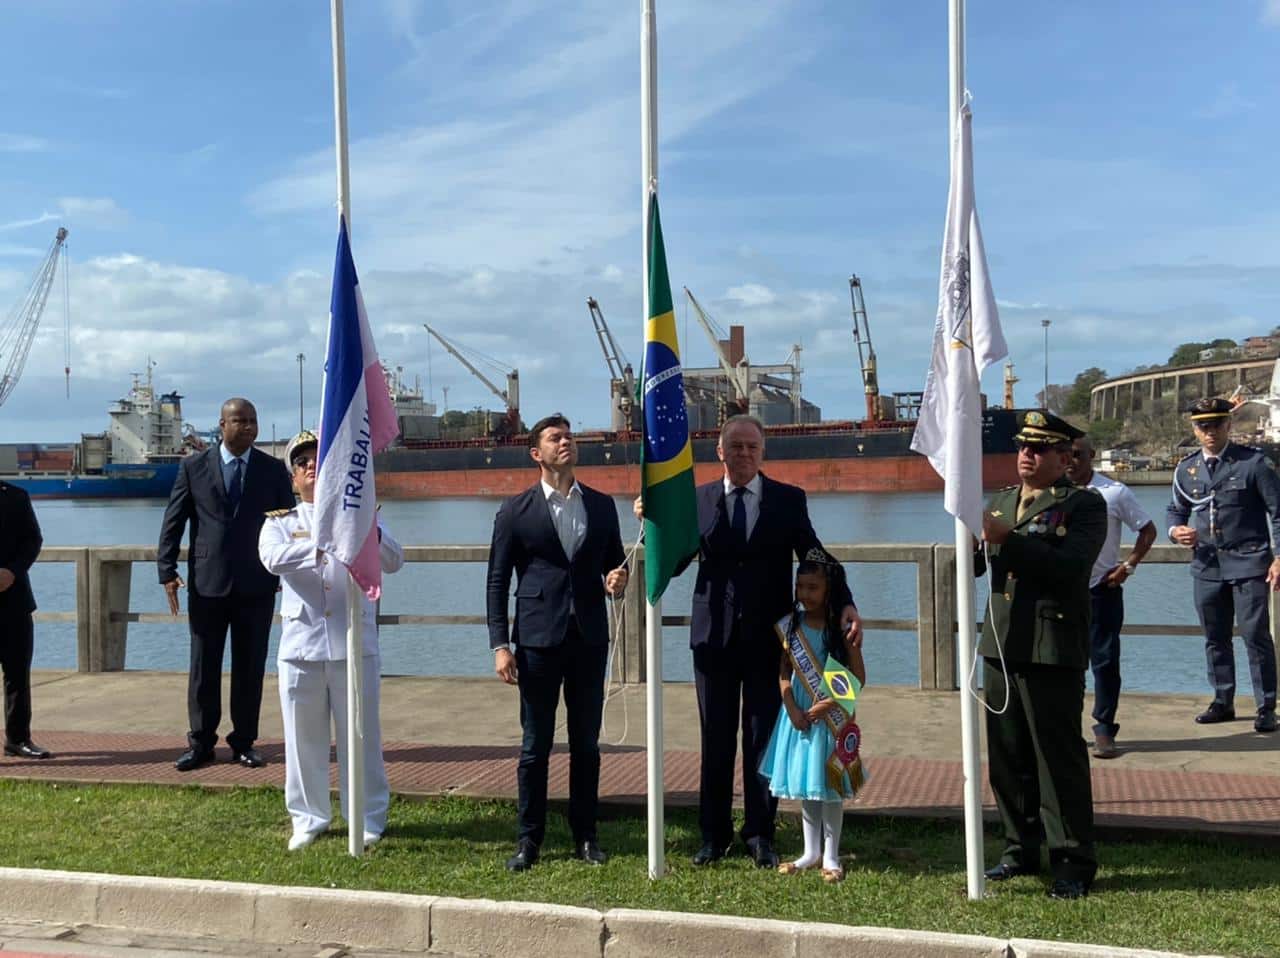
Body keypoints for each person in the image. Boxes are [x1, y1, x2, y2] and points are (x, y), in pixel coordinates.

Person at [672, 414, 860, 869]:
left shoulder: (787, 501)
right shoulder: (697, 501)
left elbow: (815, 556)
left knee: (761, 741)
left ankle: (759, 834)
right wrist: (656, 523)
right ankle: (712, 837)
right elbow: (675, 563)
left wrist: (846, 602)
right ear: (719, 451)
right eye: (734, 446)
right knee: (715, 739)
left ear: (763, 453)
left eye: (751, 448)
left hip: (768, 643)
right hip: (712, 638)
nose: (743, 455)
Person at [486, 414, 628, 872]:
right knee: (535, 745)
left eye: (569, 436)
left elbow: (614, 565)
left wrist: (617, 578)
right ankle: (529, 840)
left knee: (586, 744)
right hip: (537, 642)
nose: (565, 442)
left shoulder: (603, 506)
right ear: (536, 453)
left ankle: (586, 836)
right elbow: (496, 582)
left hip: (588, 638)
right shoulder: (514, 511)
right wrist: (500, 645)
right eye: (555, 437)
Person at [977, 410, 1106, 900]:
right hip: (1002, 644)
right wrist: (971, 538)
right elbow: (977, 566)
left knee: (1057, 759)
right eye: (1023, 448)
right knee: (1007, 757)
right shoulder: (1003, 501)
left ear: (1062, 457)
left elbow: (1070, 568)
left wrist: (1008, 541)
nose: (1026, 456)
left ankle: (1072, 859)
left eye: (1038, 449)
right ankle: (1019, 848)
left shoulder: (1084, 505)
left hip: (1050, 646)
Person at [258, 431, 405, 850]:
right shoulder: (280, 523)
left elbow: (395, 559)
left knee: (362, 737)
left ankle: (369, 815)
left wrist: (364, 531)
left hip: (353, 644)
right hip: (302, 646)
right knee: (303, 739)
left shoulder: (361, 517)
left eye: (318, 460)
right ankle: (308, 817)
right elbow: (272, 559)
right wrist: (325, 543)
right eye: (301, 463)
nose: (310, 467)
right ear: (293, 479)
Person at [157, 397, 296, 771]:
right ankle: (200, 743)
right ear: (222, 424)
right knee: (204, 666)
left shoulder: (272, 470)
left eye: (253, 420)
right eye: (240, 421)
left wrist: (291, 572)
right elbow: (174, 521)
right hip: (207, 584)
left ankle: (244, 742)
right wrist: (166, 570)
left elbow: (290, 526)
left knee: (250, 666)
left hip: (258, 584)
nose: (249, 427)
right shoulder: (193, 467)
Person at [1166, 396, 1280, 733]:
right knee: (1214, 637)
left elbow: (1278, 513)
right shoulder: (1186, 469)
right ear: (1195, 430)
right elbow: (1176, 510)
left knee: (1255, 636)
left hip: (1248, 561)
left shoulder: (1253, 464)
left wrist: (1279, 557)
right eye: (1203, 426)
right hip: (1207, 565)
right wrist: (1176, 531)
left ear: (1229, 425)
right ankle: (1222, 700)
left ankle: (1266, 705)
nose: (1210, 431)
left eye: (1216, 424)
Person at [760, 550, 866, 883]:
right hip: (799, 716)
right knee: (808, 784)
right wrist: (790, 705)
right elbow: (783, 673)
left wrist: (824, 706)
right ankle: (810, 851)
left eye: (813, 588)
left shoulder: (841, 629)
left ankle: (831, 856)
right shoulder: (791, 625)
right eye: (800, 586)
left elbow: (858, 676)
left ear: (828, 590)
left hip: (831, 715)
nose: (805, 594)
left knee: (830, 785)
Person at [1066, 435, 1157, 758]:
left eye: (1077, 454)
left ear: (1091, 455)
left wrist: (1128, 567)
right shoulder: (1053, 492)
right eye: (1065, 454)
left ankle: (1104, 727)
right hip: (1062, 591)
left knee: (1104, 662)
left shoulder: (1113, 492)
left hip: (1101, 590)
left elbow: (1147, 530)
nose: (1071, 460)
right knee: (1062, 663)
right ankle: (1064, 728)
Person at [0, 480, 52, 761]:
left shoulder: (16, 497)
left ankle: (18, 739)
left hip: (13, 601)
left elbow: (33, 540)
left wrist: (12, 571)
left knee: (17, 674)